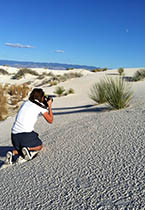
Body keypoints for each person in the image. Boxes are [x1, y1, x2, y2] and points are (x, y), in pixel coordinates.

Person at [5, 88, 53, 164]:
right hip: (25, 135)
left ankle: (12, 152)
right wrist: (49, 106)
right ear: (41, 97)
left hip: (14, 137)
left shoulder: (26, 103)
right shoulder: (40, 107)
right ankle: (28, 149)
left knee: (31, 137)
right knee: (39, 146)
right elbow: (50, 120)